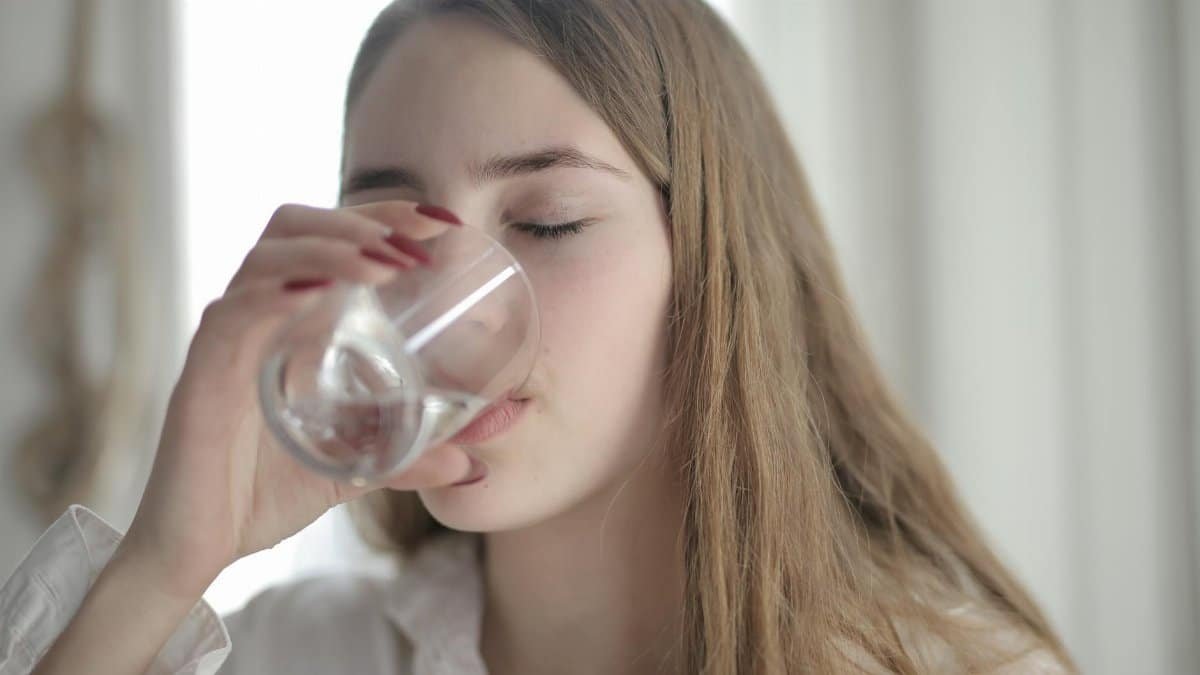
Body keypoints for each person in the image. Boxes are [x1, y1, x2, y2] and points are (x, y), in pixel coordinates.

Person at [1, 1, 1076, 673]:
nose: (445, 310)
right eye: (391, 233)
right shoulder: (298, 651)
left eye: (548, 222)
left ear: (711, 263)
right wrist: (160, 567)